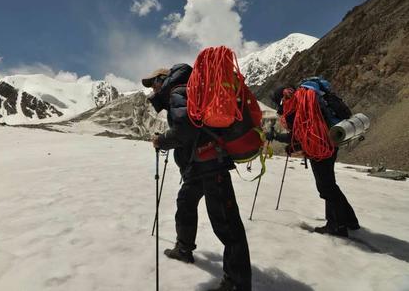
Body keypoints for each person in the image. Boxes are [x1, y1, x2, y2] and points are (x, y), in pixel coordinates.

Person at [142, 64, 251, 291]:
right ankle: (184, 248)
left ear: (164, 79)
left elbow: (185, 130)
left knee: (227, 224)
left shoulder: (178, 91)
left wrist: (161, 140)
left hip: (211, 164)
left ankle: (237, 283)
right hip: (199, 164)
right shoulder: (185, 90)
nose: (152, 89)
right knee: (185, 203)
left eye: (153, 83)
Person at [268, 84, 360, 237]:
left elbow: (297, 135)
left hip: (319, 148)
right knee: (330, 184)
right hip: (331, 141)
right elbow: (306, 132)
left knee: (326, 187)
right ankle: (350, 220)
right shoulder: (307, 98)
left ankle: (337, 226)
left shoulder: (294, 107)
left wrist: (277, 136)